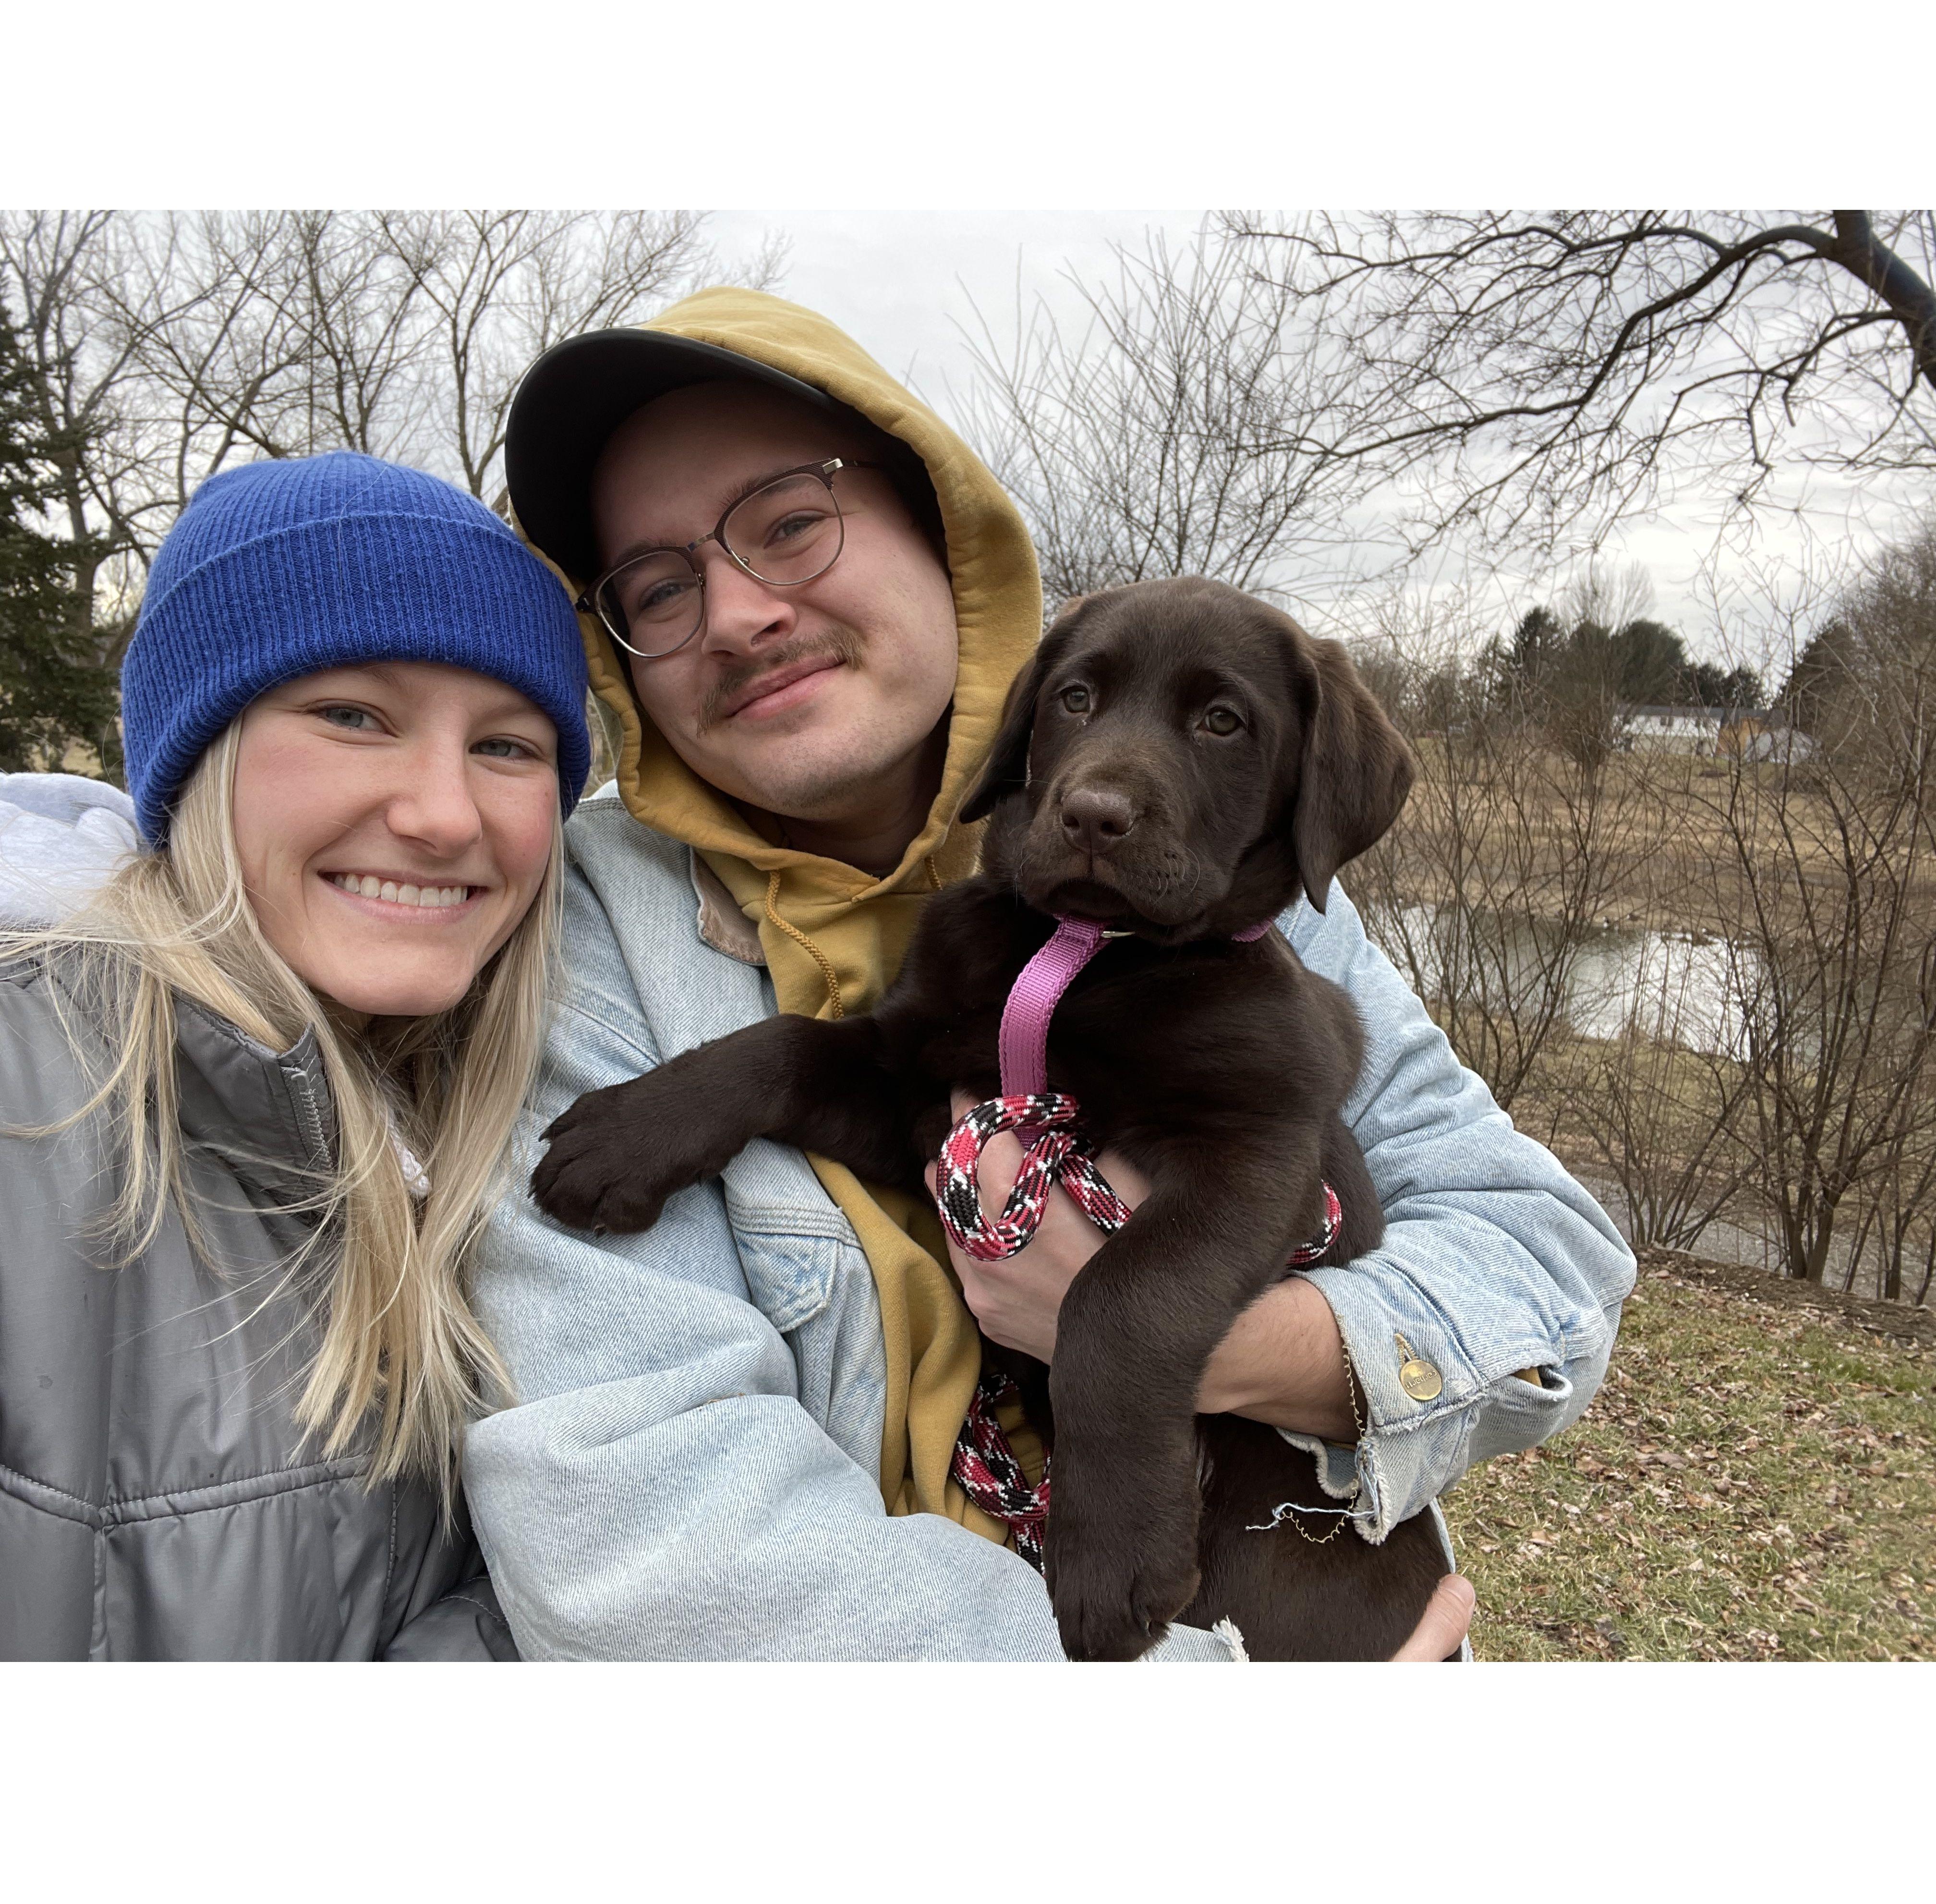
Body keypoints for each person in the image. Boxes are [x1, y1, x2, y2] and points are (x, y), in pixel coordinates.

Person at [463, 287, 1634, 1661]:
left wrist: (1199, 1344)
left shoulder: (1245, 923)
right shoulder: (578, 931)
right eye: (660, 586)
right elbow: (645, 1547)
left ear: (944, 542)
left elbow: (1547, 1266)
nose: (739, 613)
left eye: (791, 524)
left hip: (1290, 1581)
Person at [0, 451, 590, 1660]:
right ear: (199, 758)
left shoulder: (512, 1131)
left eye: (510, 745)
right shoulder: (29, 1099)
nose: (443, 814)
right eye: (352, 717)